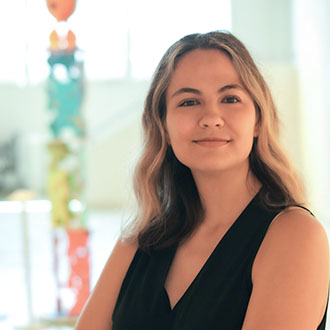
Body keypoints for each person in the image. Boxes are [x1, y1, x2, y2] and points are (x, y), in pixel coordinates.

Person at [75, 31, 329, 330]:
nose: (211, 117)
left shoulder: (294, 235)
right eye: (189, 102)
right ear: (164, 126)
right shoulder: (140, 238)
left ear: (258, 119)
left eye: (230, 98)